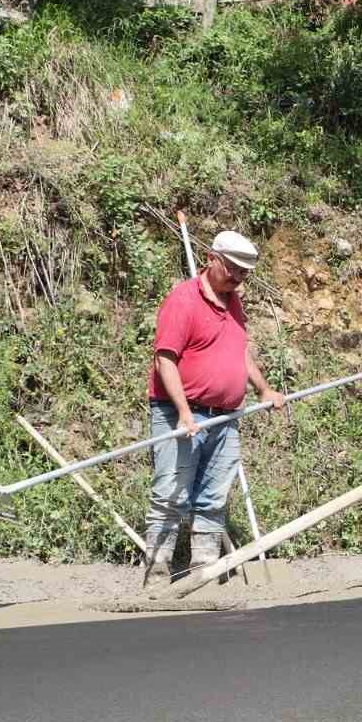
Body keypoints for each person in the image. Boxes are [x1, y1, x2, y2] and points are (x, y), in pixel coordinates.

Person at [141, 230, 285, 588]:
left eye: (244, 274)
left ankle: (202, 575)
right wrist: (184, 412)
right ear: (211, 259)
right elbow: (165, 360)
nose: (237, 279)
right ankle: (156, 576)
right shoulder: (183, 300)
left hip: (225, 417)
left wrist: (263, 389)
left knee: (212, 497)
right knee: (171, 495)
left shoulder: (233, 302)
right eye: (232, 270)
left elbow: (239, 351)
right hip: (181, 413)